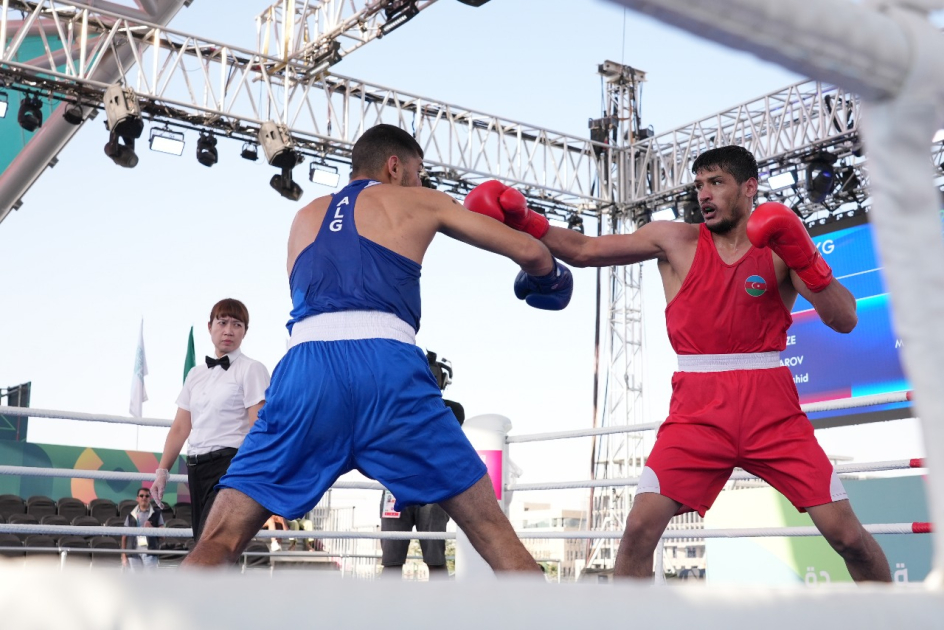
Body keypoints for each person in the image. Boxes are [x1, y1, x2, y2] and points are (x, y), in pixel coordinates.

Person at [464, 145, 892, 583]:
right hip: (697, 407)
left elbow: (845, 319)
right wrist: (524, 220)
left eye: (716, 183)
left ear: (749, 187)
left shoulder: (781, 250)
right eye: (699, 185)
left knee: (848, 537)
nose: (704, 194)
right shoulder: (675, 239)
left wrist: (804, 254)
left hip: (772, 407)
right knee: (639, 529)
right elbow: (584, 249)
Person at [180, 123, 572, 573]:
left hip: (307, 370)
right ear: (395, 166)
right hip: (387, 367)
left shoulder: (303, 216)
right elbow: (534, 253)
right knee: (492, 533)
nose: (422, 183)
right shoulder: (417, 199)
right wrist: (547, 280)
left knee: (219, 538)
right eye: (419, 172)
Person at [151, 298, 270, 541]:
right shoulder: (195, 374)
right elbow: (180, 427)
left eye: (237, 324)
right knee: (205, 544)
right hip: (195, 468)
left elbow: (258, 426)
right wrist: (162, 470)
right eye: (222, 322)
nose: (228, 330)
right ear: (210, 327)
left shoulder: (251, 369)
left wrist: (249, 472)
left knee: (212, 547)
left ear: (245, 332)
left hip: (229, 466)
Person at [378, 350, 458, 581]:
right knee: (391, 561)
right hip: (398, 486)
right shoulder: (388, 408)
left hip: (430, 488)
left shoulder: (452, 410)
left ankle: (440, 612)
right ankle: (385, 612)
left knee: (436, 559)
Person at [121, 487, 164, 571]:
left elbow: (163, 536)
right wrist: (123, 556)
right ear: (137, 498)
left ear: (150, 498)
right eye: (141, 496)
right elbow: (124, 537)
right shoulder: (130, 515)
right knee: (135, 581)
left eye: (147, 496)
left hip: (150, 552)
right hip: (133, 553)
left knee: (150, 580)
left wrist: (151, 528)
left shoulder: (157, 514)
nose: (144, 498)